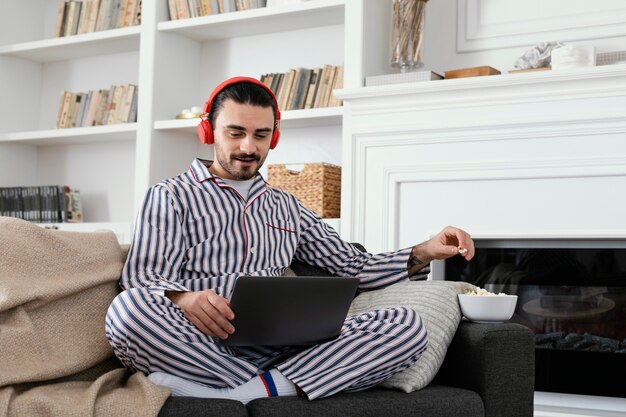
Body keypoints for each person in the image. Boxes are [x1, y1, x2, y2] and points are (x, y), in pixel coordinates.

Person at [105, 77, 474, 404]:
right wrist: (182, 298)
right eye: (235, 133)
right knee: (127, 311)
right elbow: (141, 280)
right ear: (208, 131)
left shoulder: (288, 206)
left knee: (406, 326)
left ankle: (249, 392)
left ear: (274, 137)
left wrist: (426, 249)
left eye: (261, 135)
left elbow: (355, 267)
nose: (248, 147)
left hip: (288, 347)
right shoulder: (169, 196)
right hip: (201, 343)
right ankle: (258, 383)